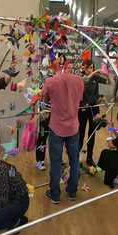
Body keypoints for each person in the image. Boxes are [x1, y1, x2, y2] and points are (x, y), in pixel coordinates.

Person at [42, 57, 84, 204]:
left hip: (57, 127)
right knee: (74, 160)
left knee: (56, 162)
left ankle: (55, 194)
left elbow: (45, 99)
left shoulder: (50, 81)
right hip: (73, 126)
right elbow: (80, 98)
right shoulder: (79, 80)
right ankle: (72, 191)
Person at [79, 60, 109, 167]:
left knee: (92, 134)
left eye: (92, 67)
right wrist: (95, 72)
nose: (90, 70)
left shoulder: (96, 77)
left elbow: (109, 82)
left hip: (94, 109)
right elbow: (86, 81)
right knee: (80, 133)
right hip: (82, 109)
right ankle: (78, 157)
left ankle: (89, 158)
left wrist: (107, 74)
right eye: (88, 67)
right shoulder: (81, 77)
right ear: (84, 68)